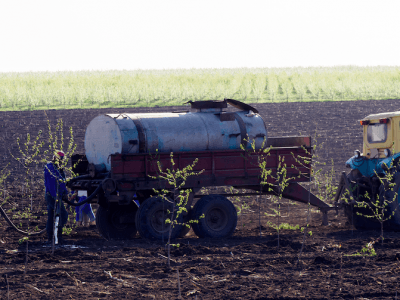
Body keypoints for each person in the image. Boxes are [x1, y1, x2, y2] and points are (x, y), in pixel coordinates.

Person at [44, 151, 69, 244]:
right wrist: (56, 197)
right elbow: (51, 185)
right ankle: (57, 236)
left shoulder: (57, 168)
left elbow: (62, 181)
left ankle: (51, 238)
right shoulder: (50, 168)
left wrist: (65, 192)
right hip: (52, 196)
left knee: (51, 216)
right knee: (63, 214)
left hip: (53, 195)